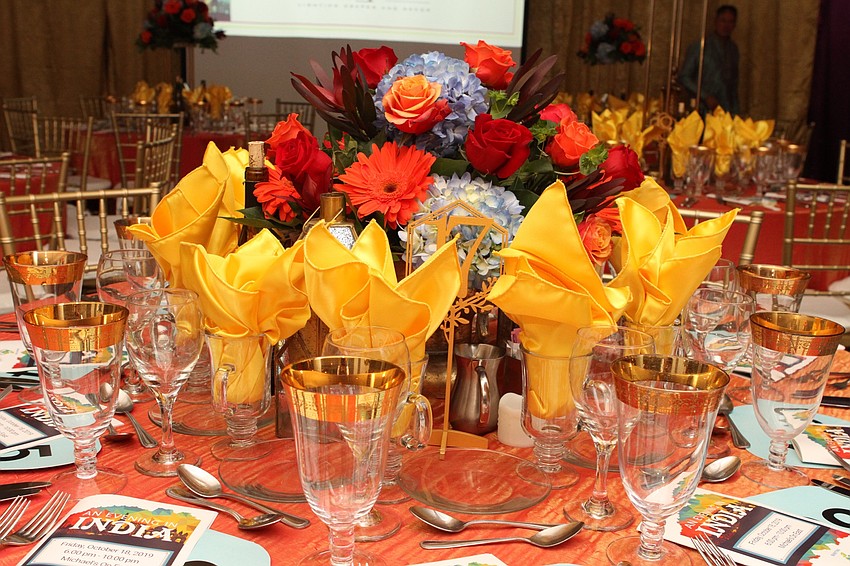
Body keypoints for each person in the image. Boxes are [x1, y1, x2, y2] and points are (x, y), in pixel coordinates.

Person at [679, 5, 740, 115]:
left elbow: (733, 85)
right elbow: (684, 77)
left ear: (734, 25)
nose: (726, 26)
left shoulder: (733, 49)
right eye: (723, 21)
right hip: (702, 108)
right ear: (716, 21)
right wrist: (705, 96)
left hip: (725, 109)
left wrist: (736, 112)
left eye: (730, 22)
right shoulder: (700, 46)